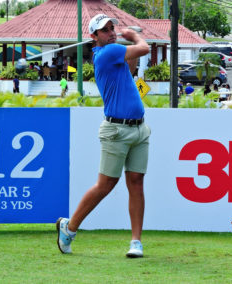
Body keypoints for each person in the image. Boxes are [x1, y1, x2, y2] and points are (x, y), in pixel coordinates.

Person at [56, 13, 151, 258]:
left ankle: (136, 242)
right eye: (105, 30)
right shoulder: (107, 53)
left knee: (136, 183)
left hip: (139, 128)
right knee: (106, 185)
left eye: (112, 28)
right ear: (94, 37)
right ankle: (70, 227)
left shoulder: (115, 55)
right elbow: (144, 48)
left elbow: (130, 70)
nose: (111, 32)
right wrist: (133, 35)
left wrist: (127, 40)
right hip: (116, 131)